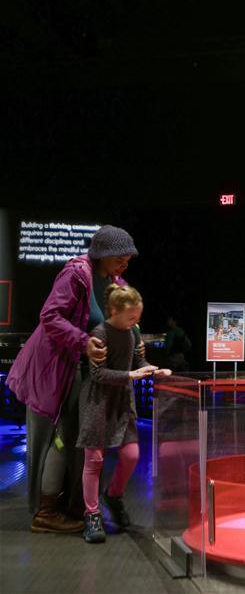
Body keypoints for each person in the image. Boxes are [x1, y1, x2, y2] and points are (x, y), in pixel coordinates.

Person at [7, 224, 138, 533]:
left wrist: (134, 333)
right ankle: (46, 512)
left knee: (82, 439)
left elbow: (123, 315)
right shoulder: (76, 274)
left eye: (127, 260)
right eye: (120, 259)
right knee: (61, 438)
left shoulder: (114, 280)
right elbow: (50, 316)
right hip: (56, 367)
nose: (124, 265)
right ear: (103, 254)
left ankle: (75, 505)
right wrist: (83, 342)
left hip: (83, 371)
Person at [77, 283, 171, 543]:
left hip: (122, 402)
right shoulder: (100, 333)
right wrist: (130, 375)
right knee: (94, 460)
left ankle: (113, 494)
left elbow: (138, 361)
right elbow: (97, 374)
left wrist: (153, 370)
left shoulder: (132, 332)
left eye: (138, 317)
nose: (135, 322)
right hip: (98, 402)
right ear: (114, 311)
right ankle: (92, 514)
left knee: (131, 455)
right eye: (131, 317)